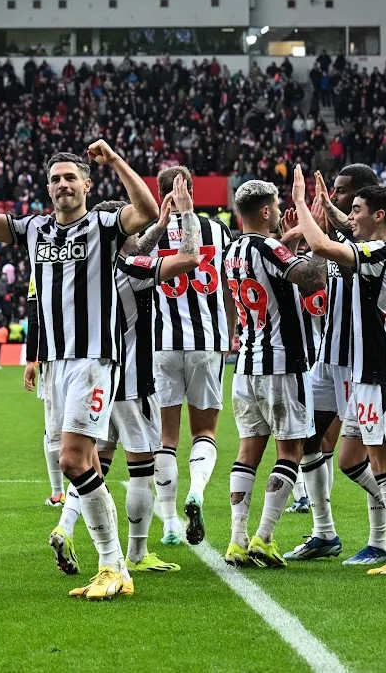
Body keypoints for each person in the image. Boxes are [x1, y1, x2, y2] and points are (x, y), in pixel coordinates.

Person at [0, 141, 156, 600]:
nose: (63, 185)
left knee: (71, 461)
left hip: (92, 360)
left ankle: (112, 563)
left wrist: (115, 162)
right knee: (83, 464)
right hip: (54, 363)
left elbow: (145, 209)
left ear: (87, 185)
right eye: (56, 179)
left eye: (71, 177)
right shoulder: (34, 230)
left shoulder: (104, 224)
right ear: (47, 189)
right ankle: (115, 568)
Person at [291, 167, 386, 575]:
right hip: (364, 369)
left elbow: (322, 245)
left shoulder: (382, 253)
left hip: (379, 369)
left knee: (383, 461)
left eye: (356, 208)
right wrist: (325, 208)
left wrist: (303, 202)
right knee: (350, 459)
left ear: (377, 215)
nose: (350, 216)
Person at [51, 182, 198, 578]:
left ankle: (65, 526)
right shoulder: (132, 270)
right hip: (131, 381)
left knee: (88, 464)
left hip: (91, 383)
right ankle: (136, 552)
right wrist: (184, 217)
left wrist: (156, 226)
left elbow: (133, 248)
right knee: (140, 468)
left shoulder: (83, 270)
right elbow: (186, 259)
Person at [219, 180, 326, 568]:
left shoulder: (232, 251)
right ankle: (264, 537)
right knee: (290, 450)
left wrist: (293, 239)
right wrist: (316, 235)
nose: (281, 212)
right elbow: (312, 278)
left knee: (248, 450)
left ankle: (236, 539)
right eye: (278, 206)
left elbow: (276, 274)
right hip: (282, 364)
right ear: (265, 211)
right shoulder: (268, 247)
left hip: (246, 364)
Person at [146, 166, 233, 549]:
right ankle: (195, 491)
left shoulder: (149, 235)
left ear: (160, 193)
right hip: (207, 343)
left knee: (166, 437)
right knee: (205, 432)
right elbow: (232, 285)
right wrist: (229, 330)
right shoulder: (218, 230)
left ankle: (167, 522)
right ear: (192, 190)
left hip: (162, 345)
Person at [23, 276, 65, 508]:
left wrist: (31, 359)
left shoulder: (39, 266)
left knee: (52, 428)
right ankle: (87, 488)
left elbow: (34, 316)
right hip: (91, 354)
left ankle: (58, 493)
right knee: (85, 425)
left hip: (53, 357)